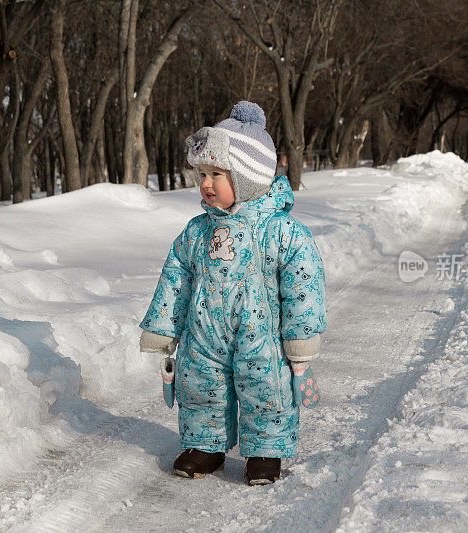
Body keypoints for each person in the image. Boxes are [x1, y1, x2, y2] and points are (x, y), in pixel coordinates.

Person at [139, 101, 327, 485]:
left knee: (266, 389)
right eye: (202, 173)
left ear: (246, 179)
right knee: (201, 383)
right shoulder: (197, 232)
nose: (205, 183)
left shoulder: (282, 232)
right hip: (204, 333)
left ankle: (264, 451)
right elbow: (176, 279)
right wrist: (163, 328)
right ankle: (206, 447)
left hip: (263, 336)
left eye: (216, 174)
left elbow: (303, 286)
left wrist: (301, 339)